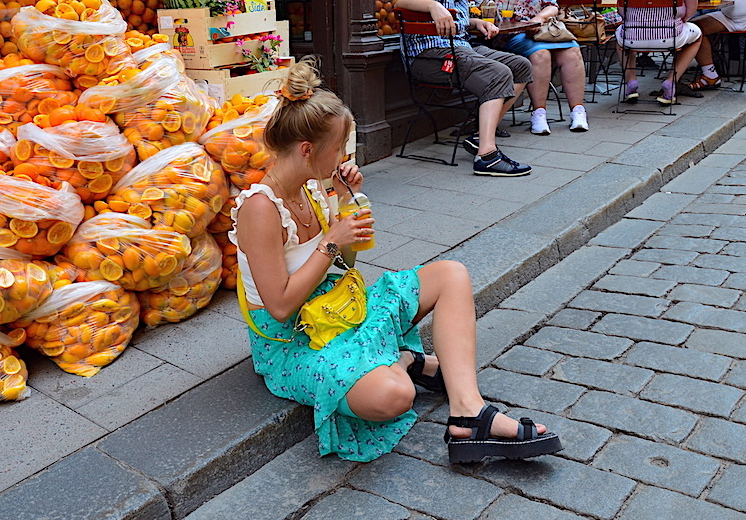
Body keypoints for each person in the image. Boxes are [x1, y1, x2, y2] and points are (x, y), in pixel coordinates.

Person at [230, 57, 563, 463]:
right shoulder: (260, 209)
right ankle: (407, 360)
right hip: (294, 341)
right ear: (306, 150)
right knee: (395, 395)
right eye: (338, 149)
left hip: (337, 310)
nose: (343, 158)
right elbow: (280, 307)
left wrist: (342, 206)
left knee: (450, 274)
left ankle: (468, 412)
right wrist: (330, 243)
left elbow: (345, 265)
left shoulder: (313, 188)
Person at [397, 0, 533, 177]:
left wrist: (474, 23)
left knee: (521, 65)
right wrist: (433, 6)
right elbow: (402, 1)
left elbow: (455, 19)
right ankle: (487, 156)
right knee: (498, 73)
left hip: (459, 47)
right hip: (430, 56)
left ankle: (480, 137)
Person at [471, 0, 589, 135]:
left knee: (572, 51)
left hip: (539, 31)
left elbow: (552, 5)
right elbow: (474, 13)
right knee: (540, 54)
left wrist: (538, 18)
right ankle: (539, 113)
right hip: (506, 37)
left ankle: (578, 112)